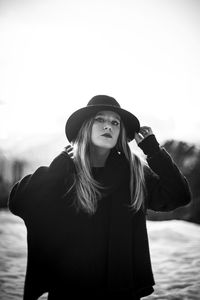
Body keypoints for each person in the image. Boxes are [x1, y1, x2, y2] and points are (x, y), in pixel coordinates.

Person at [8, 95, 191, 300]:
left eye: (115, 122)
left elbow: (179, 195)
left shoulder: (135, 173)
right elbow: (19, 202)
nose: (108, 126)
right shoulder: (66, 171)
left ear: (121, 131)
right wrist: (55, 171)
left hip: (121, 291)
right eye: (100, 120)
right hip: (69, 290)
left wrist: (154, 152)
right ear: (86, 127)